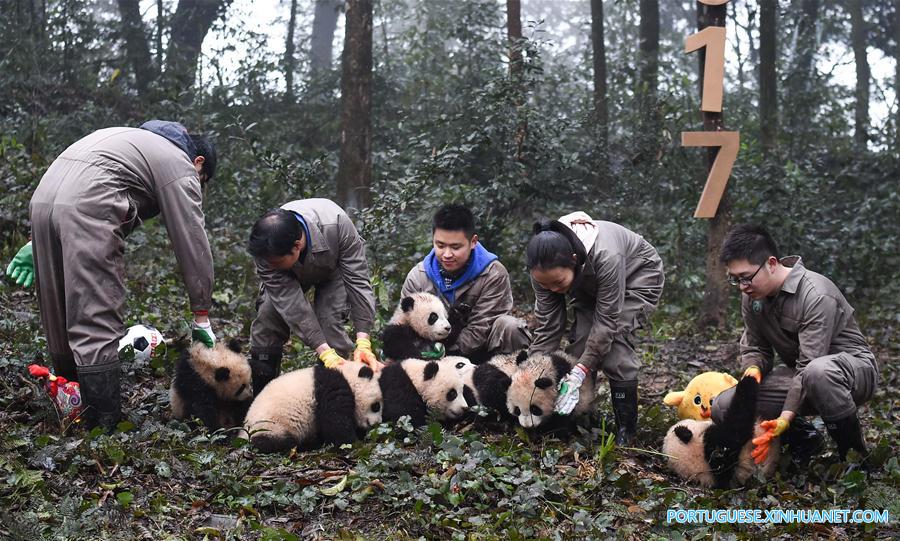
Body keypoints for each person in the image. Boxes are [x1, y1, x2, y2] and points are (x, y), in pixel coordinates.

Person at [5, 120, 218, 430]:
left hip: (43, 202)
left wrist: (36, 240)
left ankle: (71, 395)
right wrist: (202, 314)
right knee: (95, 309)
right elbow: (192, 241)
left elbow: (80, 182)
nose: (200, 185)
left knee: (59, 309)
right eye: (203, 180)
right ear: (198, 162)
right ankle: (102, 422)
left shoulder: (126, 140)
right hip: (88, 206)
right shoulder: (178, 163)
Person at [712, 224, 878, 463]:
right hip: (804, 375)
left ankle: (855, 456)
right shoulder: (752, 297)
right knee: (725, 406)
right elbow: (756, 347)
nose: (742, 286)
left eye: (746, 277)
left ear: (771, 263)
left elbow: (810, 365)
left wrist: (785, 416)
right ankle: (805, 439)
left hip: (853, 374)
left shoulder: (816, 294)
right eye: (735, 279)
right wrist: (753, 370)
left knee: (818, 372)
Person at [526, 212, 664, 445]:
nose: (551, 289)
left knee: (614, 350)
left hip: (636, 277)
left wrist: (579, 372)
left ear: (573, 259)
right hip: (586, 283)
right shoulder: (541, 271)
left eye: (558, 283)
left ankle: (626, 430)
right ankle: (581, 415)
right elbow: (549, 325)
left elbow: (607, 323)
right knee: (580, 346)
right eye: (544, 284)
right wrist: (532, 368)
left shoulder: (606, 256)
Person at [246, 199, 380, 394]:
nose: (268, 264)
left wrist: (363, 341)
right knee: (268, 318)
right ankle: (263, 394)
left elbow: (358, 282)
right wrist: (324, 352)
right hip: (287, 274)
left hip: (334, 269)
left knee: (330, 321)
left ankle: (332, 395)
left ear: (297, 245)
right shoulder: (266, 251)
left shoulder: (338, 225)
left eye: (274, 261)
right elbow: (293, 307)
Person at [401, 204, 530, 362]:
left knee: (510, 327)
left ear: (473, 241)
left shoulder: (493, 273)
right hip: (431, 356)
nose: (447, 254)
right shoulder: (418, 277)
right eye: (440, 245)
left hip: (484, 352)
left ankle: (513, 379)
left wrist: (447, 355)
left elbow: (481, 329)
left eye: (455, 247)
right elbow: (405, 326)